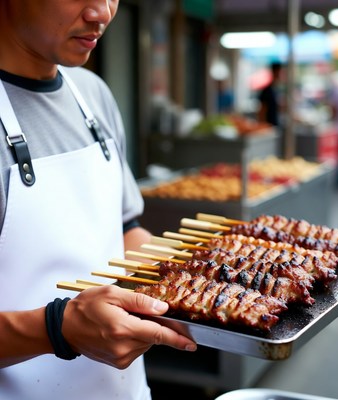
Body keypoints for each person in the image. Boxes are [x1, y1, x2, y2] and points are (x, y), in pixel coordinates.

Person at [0, 2, 197, 400]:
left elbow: (122, 231)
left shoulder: (92, 93)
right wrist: (57, 328)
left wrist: (196, 274)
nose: (102, 12)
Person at [257, 62, 283, 128]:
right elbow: (262, 111)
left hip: (274, 124)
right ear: (276, 72)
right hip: (268, 126)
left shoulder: (276, 89)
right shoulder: (267, 90)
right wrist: (262, 125)